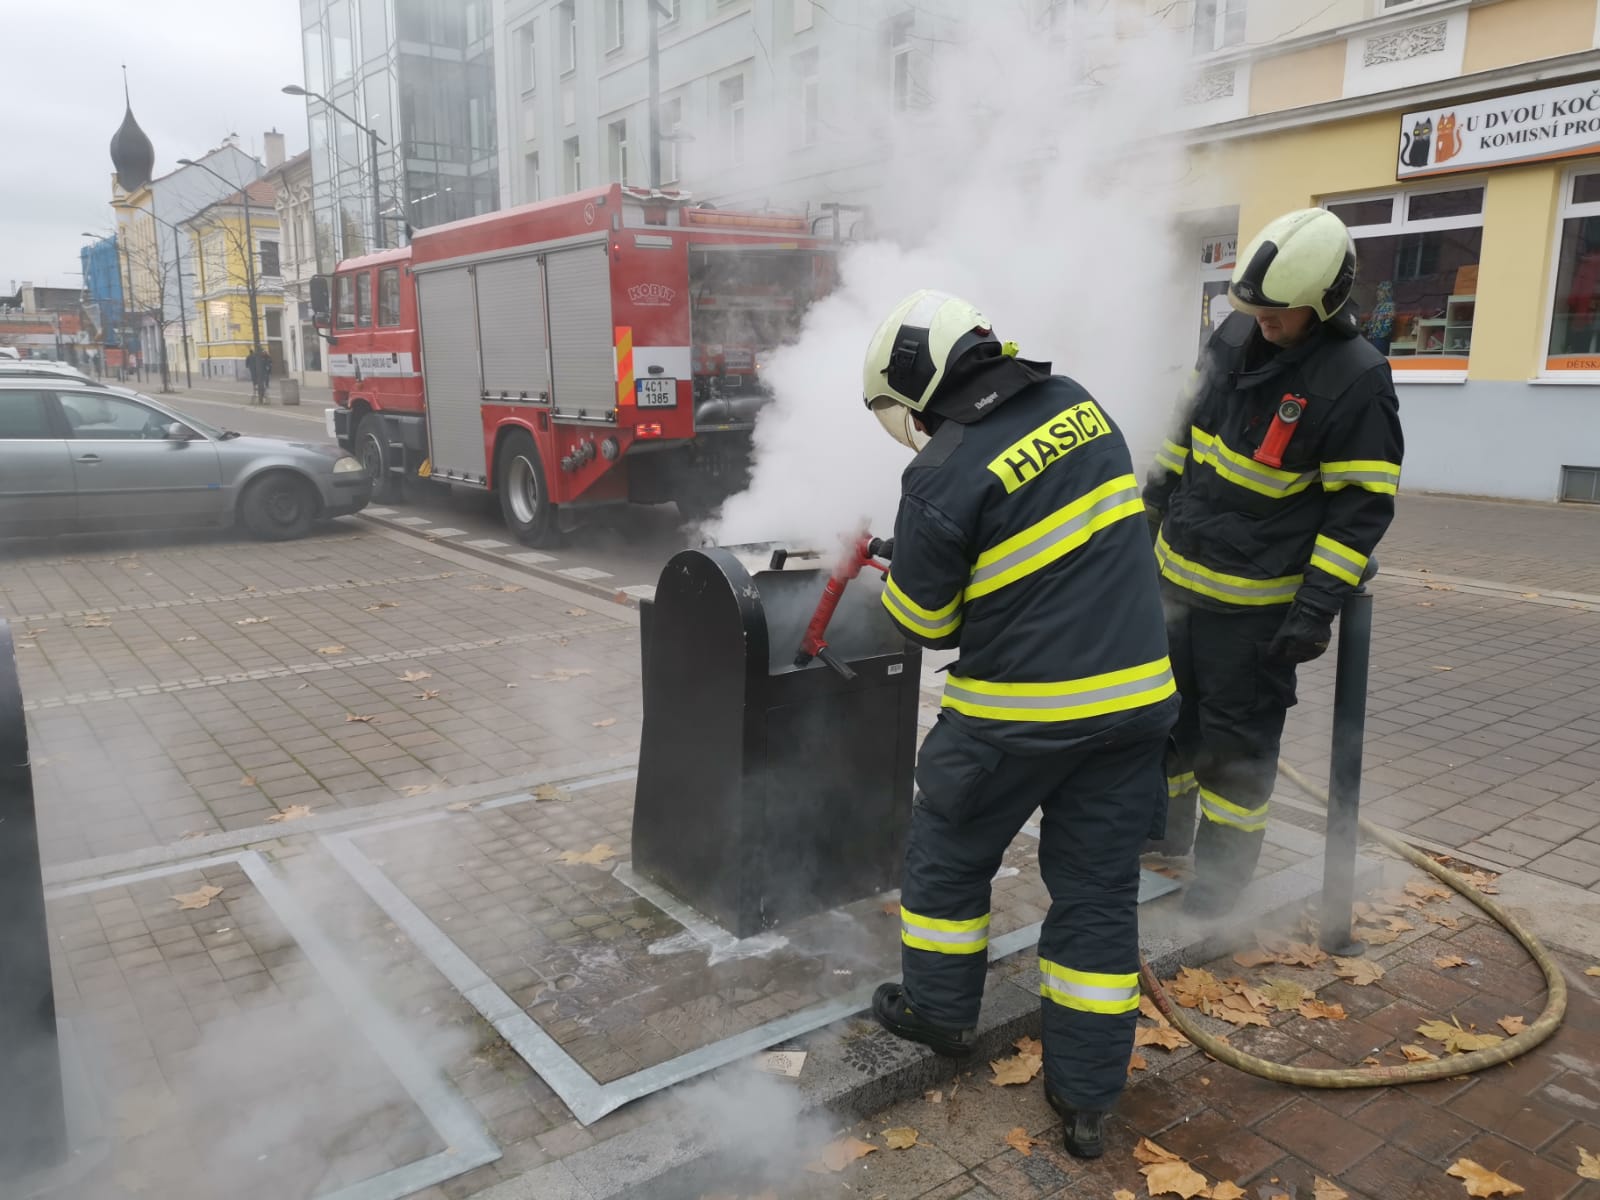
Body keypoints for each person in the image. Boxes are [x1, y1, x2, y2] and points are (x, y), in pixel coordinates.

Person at [864, 290, 1179, 1159]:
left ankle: (938, 1014)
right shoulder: (1080, 403)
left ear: (918, 389)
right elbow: (1059, 548)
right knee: (1097, 900)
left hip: (1017, 719)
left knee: (947, 854)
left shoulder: (938, 473)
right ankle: (1085, 1103)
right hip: (1134, 706)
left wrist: (911, 566)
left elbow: (926, 626)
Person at [1143, 208, 1405, 917]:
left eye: (1277, 314)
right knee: (1166, 722)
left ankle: (1221, 885)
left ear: (1323, 304)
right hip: (1177, 580)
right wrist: (1146, 524)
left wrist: (1315, 609)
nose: (1260, 323)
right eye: (1252, 309)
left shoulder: (1356, 382)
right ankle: (1160, 839)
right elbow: (1180, 436)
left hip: (1253, 610)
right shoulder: (1233, 333)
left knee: (1235, 747)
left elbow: (1360, 509)